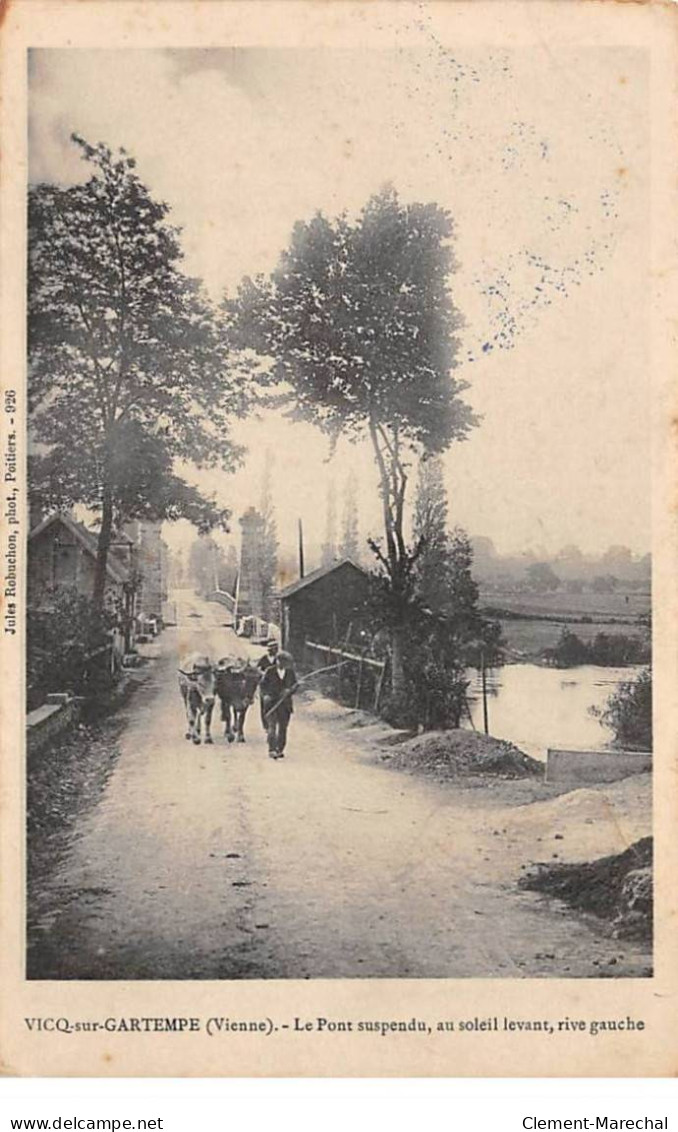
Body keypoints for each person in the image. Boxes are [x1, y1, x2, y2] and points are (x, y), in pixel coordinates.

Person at [259, 650, 297, 760]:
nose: (284, 664)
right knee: (272, 727)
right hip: (272, 704)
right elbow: (262, 686)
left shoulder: (290, 672)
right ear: (278, 660)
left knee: (283, 728)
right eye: (282, 661)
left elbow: (294, 685)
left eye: (286, 662)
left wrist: (289, 691)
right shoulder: (269, 671)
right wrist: (265, 695)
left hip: (285, 705)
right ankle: (271, 749)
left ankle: (280, 749)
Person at [257, 638, 279, 729]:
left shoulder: (279, 659)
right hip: (265, 685)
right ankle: (265, 725)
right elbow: (258, 669)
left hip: (276, 685)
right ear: (269, 649)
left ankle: (276, 721)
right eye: (272, 648)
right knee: (264, 704)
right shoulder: (264, 659)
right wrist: (263, 674)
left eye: (275, 648)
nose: (274, 650)